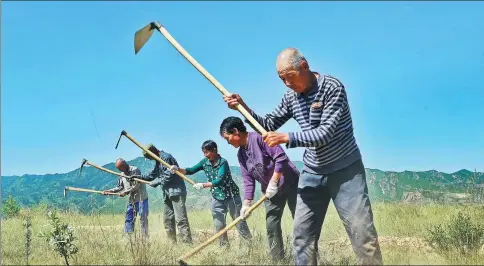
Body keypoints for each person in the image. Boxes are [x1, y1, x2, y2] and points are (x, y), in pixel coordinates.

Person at [223, 47, 382, 265]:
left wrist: (286, 137)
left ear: (304, 67)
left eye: (290, 77)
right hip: (312, 171)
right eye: (282, 79)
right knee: (302, 237)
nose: (287, 84)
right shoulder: (291, 97)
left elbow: (324, 133)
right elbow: (267, 124)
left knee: (362, 235)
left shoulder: (332, 88)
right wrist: (243, 109)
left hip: (345, 170)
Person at [219, 116, 300, 261]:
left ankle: (308, 259)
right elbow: (248, 180)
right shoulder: (241, 154)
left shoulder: (260, 138)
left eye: (227, 138)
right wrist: (246, 203)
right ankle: (278, 261)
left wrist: (274, 181)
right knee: (271, 224)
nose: (228, 142)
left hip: (291, 182)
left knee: (301, 221)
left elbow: (281, 157)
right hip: (270, 192)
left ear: (236, 132)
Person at [170, 140, 252, 247]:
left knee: (239, 222)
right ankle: (224, 247)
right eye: (204, 152)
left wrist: (203, 185)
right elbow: (190, 170)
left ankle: (249, 244)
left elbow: (220, 180)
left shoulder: (223, 162)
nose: (205, 155)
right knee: (219, 224)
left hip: (231, 196)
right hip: (216, 197)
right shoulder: (205, 162)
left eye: (207, 152)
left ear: (214, 150)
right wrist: (178, 169)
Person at [132, 143, 193, 244]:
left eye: (149, 157)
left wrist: (156, 182)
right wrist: (138, 177)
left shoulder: (166, 158)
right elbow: (152, 175)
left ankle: (187, 244)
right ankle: (172, 243)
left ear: (152, 152)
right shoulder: (158, 160)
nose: (150, 159)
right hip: (167, 193)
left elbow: (169, 175)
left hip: (176, 192)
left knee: (180, 219)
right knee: (168, 219)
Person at [103, 158, 149, 239]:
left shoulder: (135, 170)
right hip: (132, 200)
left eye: (121, 168)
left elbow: (136, 185)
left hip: (142, 198)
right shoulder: (122, 174)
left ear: (125, 164)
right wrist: (110, 191)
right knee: (129, 218)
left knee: (143, 218)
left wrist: (126, 192)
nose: (121, 170)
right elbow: (120, 187)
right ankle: (128, 237)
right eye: (119, 169)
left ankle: (145, 237)